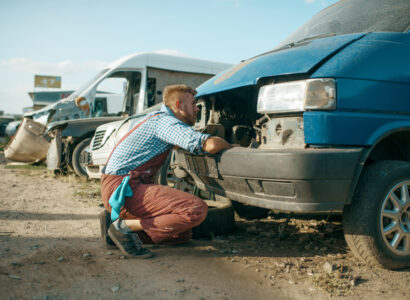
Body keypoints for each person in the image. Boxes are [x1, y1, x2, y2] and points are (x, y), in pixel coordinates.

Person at [99, 84, 233, 258]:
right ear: (178, 105)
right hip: (123, 190)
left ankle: (113, 229)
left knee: (180, 235)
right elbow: (210, 145)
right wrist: (233, 147)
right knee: (195, 209)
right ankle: (123, 226)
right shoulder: (164, 122)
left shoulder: (157, 119)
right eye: (193, 104)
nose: (197, 108)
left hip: (124, 187)